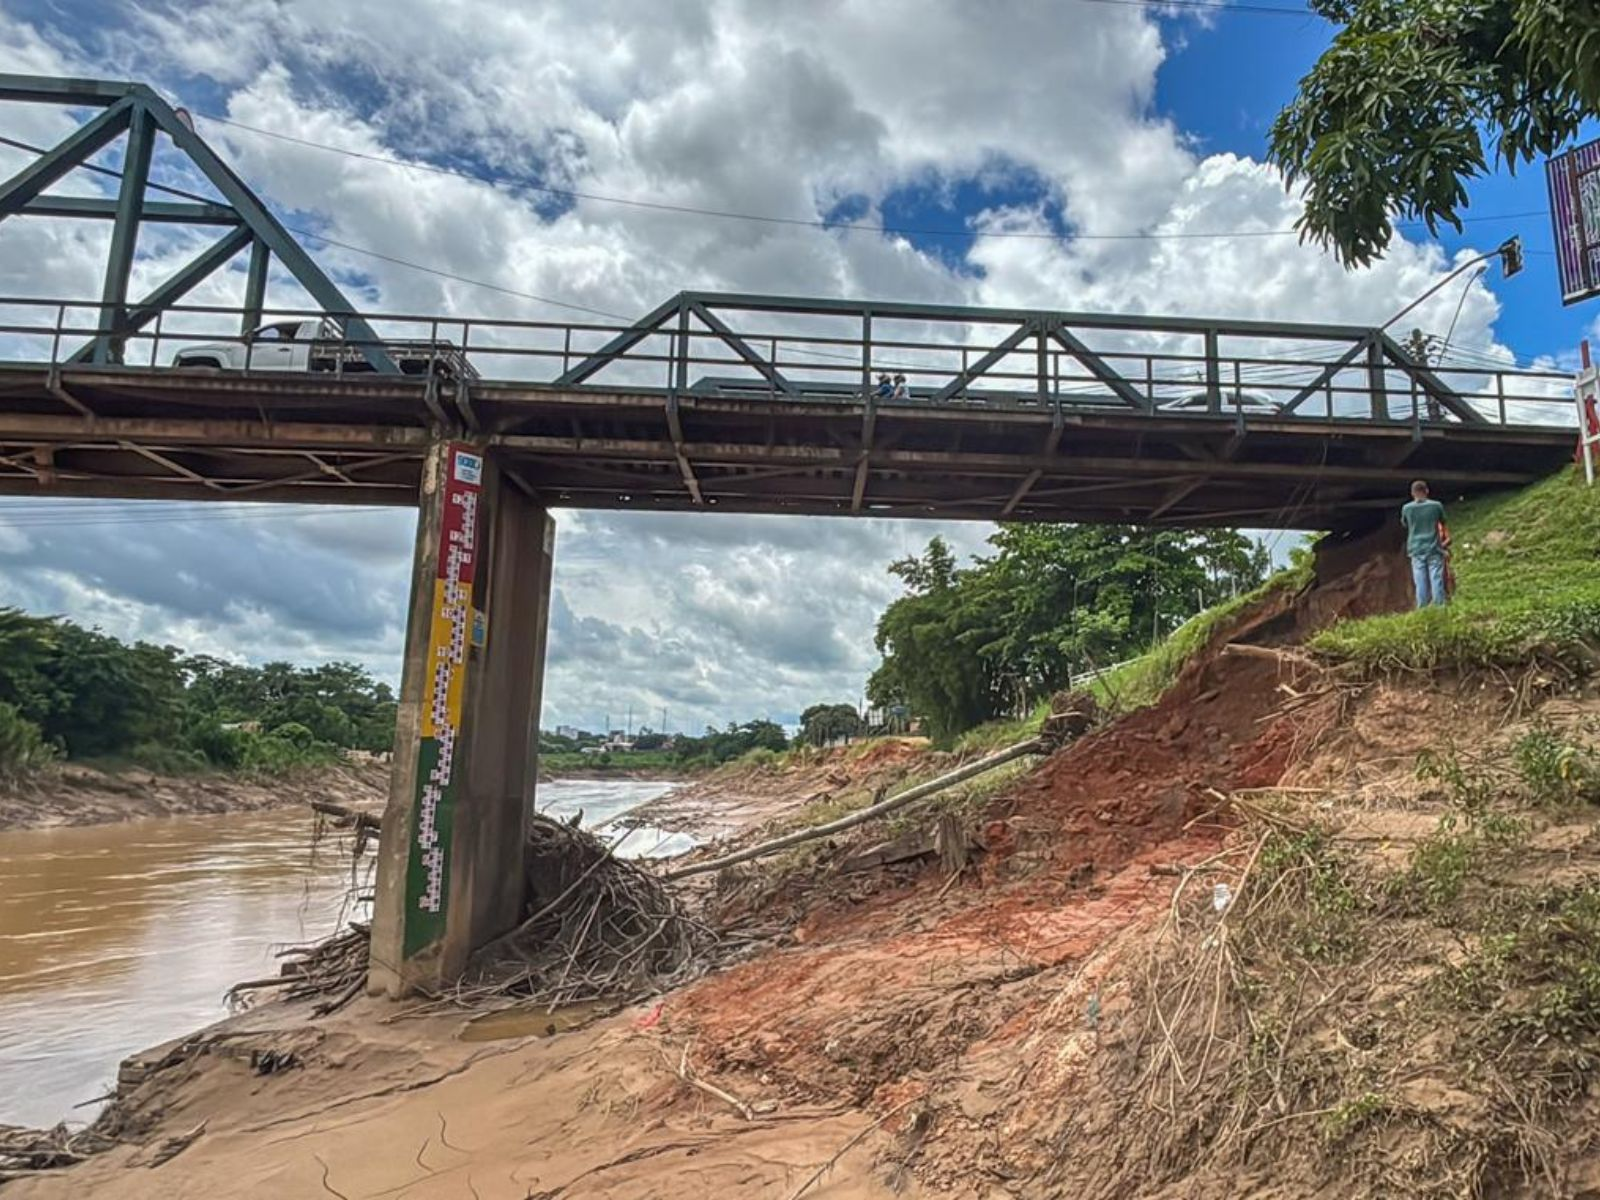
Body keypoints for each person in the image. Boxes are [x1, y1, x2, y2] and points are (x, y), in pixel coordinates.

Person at [1400, 479, 1448, 608]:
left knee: (1420, 579)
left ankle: (1422, 607)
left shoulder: (1406, 508)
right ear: (1427, 491)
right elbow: (1443, 522)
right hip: (1433, 547)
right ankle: (1439, 607)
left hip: (1415, 548)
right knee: (1436, 577)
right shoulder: (1436, 506)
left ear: (1412, 493)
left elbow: (1405, 524)